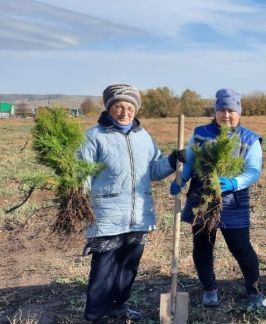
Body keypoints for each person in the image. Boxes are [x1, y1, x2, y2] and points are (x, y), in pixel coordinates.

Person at [79, 83, 182, 322]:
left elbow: (154, 171)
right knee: (104, 268)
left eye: (129, 107)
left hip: (139, 214)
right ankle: (96, 314)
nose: (125, 112)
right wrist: (79, 204)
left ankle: (119, 305)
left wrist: (172, 160)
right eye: (118, 106)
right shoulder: (94, 137)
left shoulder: (143, 137)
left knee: (128, 266)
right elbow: (82, 175)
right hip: (106, 214)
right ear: (109, 108)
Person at [170, 88, 265, 309]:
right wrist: (181, 180)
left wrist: (234, 183)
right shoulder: (201, 133)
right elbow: (191, 162)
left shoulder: (249, 139)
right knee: (202, 246)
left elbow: (253, 171)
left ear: (239, 113)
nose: (227, 115)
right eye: (222, 110)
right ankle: (209, 288)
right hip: (202, 201)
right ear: (215, 111)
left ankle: (254, 289)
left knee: (242, 248)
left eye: (231, 110)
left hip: (234, 202)